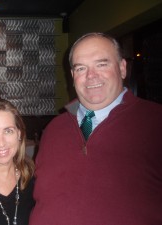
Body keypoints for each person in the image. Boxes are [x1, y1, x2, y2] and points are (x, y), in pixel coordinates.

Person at [29, 32, 162, 225]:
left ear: (123, 68)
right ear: (73, 76)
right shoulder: (53, 129)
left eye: (102, 64)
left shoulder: (155, 122)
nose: (91, 76)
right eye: (81, 68)